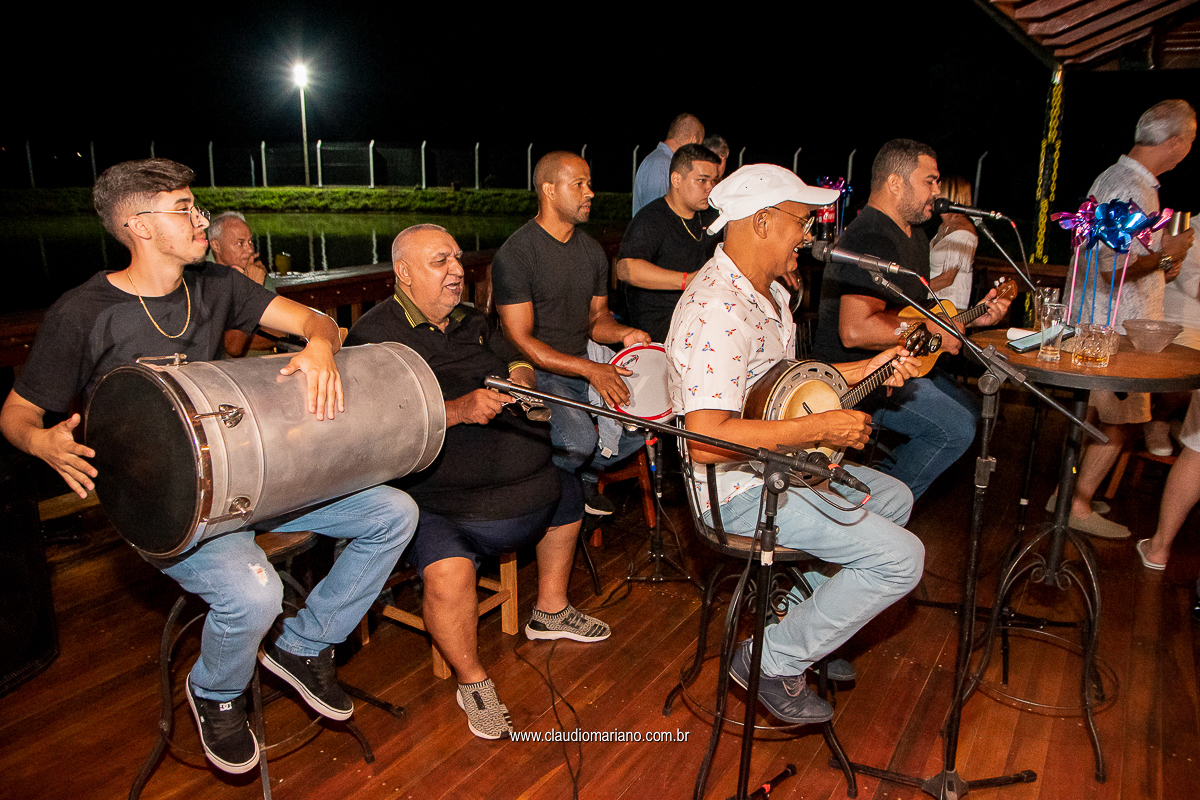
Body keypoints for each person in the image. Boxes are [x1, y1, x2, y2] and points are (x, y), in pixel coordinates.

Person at [0, 159, 416, 776]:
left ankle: (305, 646)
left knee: (393, 512)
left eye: (197, 206)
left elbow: (316, 320)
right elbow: (16, 412)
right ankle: (215, 691)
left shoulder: (218, 285)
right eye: (184, 210)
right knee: (255, 592)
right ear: (140, 226)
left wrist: (321, 346)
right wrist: (40, 443)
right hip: (167, 506)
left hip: (254, 475)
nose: (201, 219)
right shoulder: (82, 312)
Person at [666, 164, 925, 724]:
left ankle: (797, 617)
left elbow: (781, 388)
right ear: (762, 222)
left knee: (893, 497)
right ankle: (769, 660)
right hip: (736, 492)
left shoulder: (768, 294)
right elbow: (706, 440)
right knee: (903, 561)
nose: (808, 236)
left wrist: (868, 368)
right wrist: (819, 430)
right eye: (802, 222)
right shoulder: (718, 312)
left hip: (775, 469)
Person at [344, 224, 609, 739]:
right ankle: (473, 680)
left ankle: (550, 609)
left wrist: (523, 383)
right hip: (443, 501)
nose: (457, 271)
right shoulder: (375, 337)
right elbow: (372, 426)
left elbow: (513, 355)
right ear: (403, 272)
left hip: (528, 480)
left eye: (457, 259)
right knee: (448, 572)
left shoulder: (472, 319)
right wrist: (457, 410)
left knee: (568, 488)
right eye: (440, 262)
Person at [812, 139, 1010, 501]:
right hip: (856, 378)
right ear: (895, 183)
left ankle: (881, 486)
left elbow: (916, 310)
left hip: (902, 365)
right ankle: (872, 509)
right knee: (955, 429)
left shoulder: (915, 234)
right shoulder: (869, 237)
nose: (937, 192)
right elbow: (855, 329)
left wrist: (971, 318)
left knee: (979, 410)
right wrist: (931, 329)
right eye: (929, 182)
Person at [1064, 100, 1196, 539]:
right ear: (1174, 142)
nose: (1190, 149)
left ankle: (1067, 495)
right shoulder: (1129, 186)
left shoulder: (1120, 179)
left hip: (1105, 322)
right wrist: (1167, 253)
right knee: (1121, 422)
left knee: (1098, 419)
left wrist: (1162, 263)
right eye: (1191, 140)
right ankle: (1077, 504)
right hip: (1115, 328)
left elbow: (1125, 260)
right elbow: (1110, 267)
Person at [492, 151, 649, 516]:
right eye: (578, 184)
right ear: (549, 190)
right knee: (578, 440)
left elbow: (597, 320)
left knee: (646, 425)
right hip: (539, 372)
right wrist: (590, 370)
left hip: (584, 362)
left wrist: (625, 333)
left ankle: (581, 477)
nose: (589, 192)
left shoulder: (592, 252)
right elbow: (521, 341)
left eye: (589, 184)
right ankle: (558, 501)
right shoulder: (516, 254)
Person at [615, 143, 721, 342]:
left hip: (700, 324)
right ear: (676, 179)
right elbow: (626, 269)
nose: (710, 188)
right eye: (702, 180)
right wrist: (687, 281)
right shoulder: (652, 218)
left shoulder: (711, 216)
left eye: (713, 181)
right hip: (658, 333)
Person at [207, 210, 278, 357]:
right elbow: (233, 346)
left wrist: (239, 336)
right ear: (216, 245)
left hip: (262, 364)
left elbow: (279, 333)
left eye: (250, 241)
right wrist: (252, 287)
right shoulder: (201, 278)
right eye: (240, 243)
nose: (250, 250)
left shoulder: (255, 271)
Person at [632, 113, 705, 215]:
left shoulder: (662, 162)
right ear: (693, 140)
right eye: (698, 146)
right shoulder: (661, 165)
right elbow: (658, 215)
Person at [928, 174, 977, 310]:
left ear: (951, 194)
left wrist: (914, 290)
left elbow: (947, 279)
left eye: (939, 189)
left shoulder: (963, 230)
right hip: (933, 300)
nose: (933, 193)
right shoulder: (943, 226)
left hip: (950, 306)